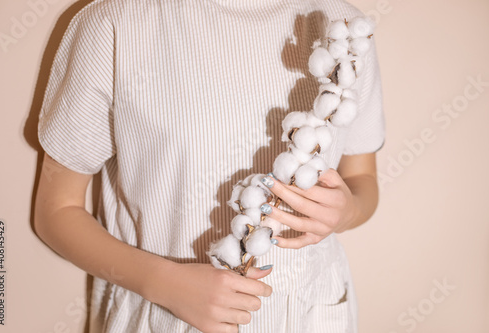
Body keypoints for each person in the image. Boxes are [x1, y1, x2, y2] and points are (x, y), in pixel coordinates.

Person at [34, 0, 385, 332]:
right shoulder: (117, 23)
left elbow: (362, 179)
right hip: (163, 316)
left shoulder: (344, 27)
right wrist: (164, 283)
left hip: (312, 312)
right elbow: (55, 212)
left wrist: (348, 211)